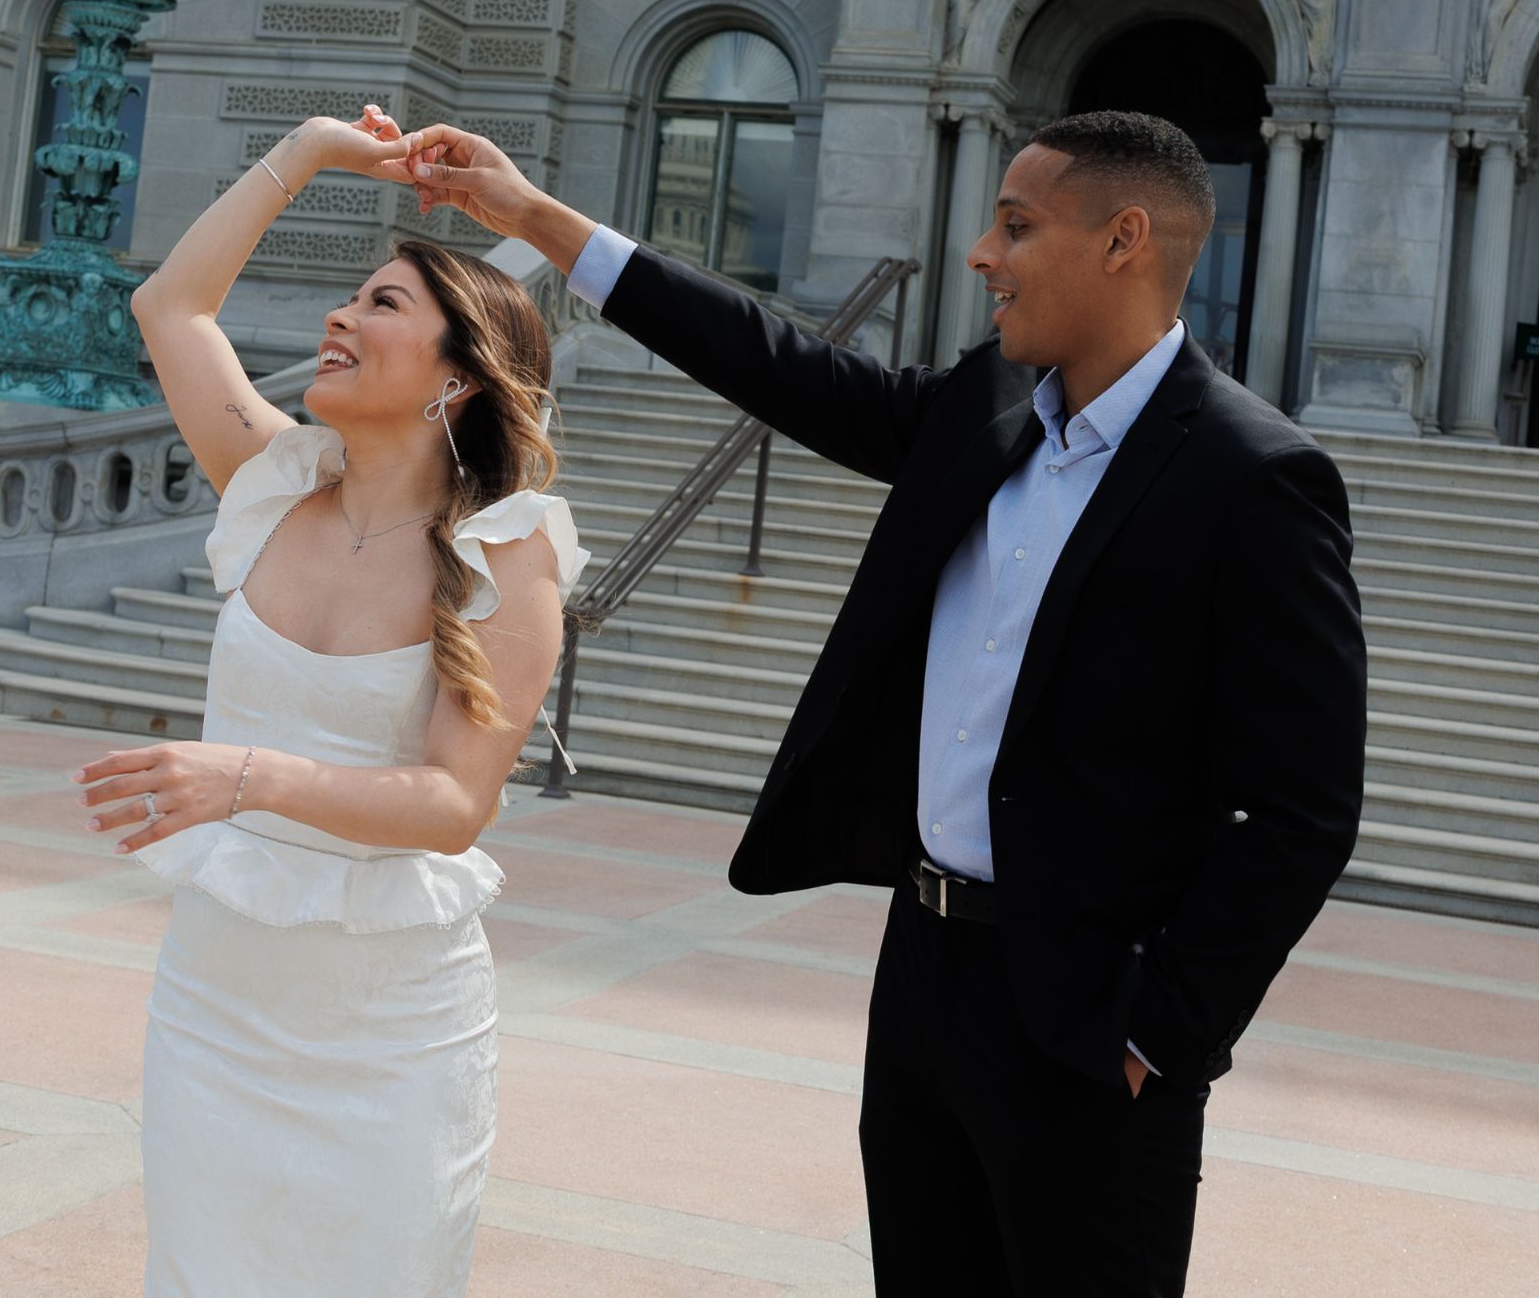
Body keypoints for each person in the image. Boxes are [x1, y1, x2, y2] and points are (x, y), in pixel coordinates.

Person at [399, 109, 1366, 1296]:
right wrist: (534, 220)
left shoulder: (1253, 478)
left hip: (1085, 1015)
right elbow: (776, 361)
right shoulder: (986, 409)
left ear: (1123, 240)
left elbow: (1303, 809)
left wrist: (1156, 1031)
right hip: (923, 975)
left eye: (1014, 225)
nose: (980, 253)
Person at [71, 104, 589, 1298]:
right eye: (351, 297)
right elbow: (171, 307)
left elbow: (455, 803)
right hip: (214, 999)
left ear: (459, 377)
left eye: (381, 306)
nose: (339, 318)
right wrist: (303, 155)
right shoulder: (267, 485)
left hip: (390, 1029)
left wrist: (242, 779)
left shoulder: (506, 555)